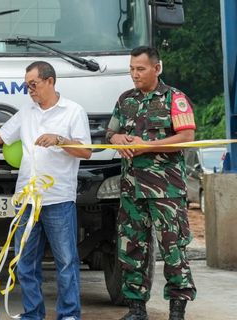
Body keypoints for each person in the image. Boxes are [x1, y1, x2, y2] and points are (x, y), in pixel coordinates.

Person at [0, 61, 92, 320]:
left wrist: (60, 140)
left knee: (66, 261)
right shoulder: (27, 112)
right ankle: (33, 313)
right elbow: (1, 136)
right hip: (26, 200)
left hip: (58, 199)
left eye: (33, 85)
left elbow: (86, 151)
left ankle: (69, 314)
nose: (30, 91)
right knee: (24, 263)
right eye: (27, 86)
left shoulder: (73, 111)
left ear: (50, 81)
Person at [106, 46, 197, 320]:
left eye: (140, 69)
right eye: (132, 69)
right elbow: (110, 131)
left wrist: (148, 145)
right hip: (132, 189)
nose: (135, 74)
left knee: (173, 249)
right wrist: (117, 139)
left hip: (165, 190)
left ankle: (177, 310)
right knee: (131, 248)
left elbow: (187, 136)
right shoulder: (125, 100)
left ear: (157, 68)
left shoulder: (174, 98)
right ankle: (136, 310)